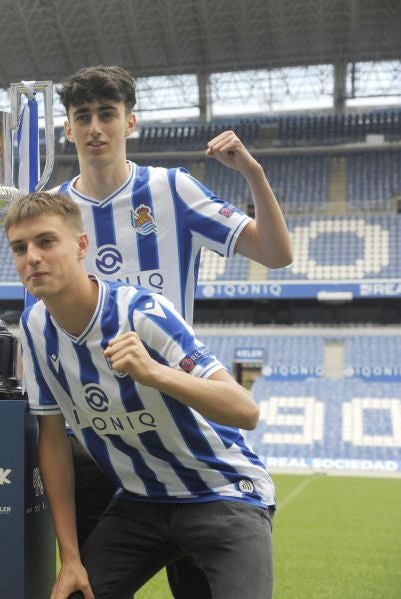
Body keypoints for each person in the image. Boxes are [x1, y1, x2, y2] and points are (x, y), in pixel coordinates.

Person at [54, 65, 292, 598]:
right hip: (98, 442)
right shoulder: (56, 214)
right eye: (82, 117)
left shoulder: (171, 191)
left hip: (177, 427)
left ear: (129, 122)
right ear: (67, 129)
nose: (95, 128)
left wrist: (252, 172)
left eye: (107, 115)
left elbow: (276, 254)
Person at [6, 191, 275, 599]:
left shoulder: (141, 312)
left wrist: (154, 373)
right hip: (140, 502)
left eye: (46, 241)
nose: (33, 257)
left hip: (222, 493)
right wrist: (71, 559)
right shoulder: (34, 328)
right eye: (19, 248)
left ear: (81, 246)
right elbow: (54, 441)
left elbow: (245, 410)